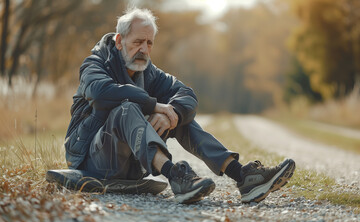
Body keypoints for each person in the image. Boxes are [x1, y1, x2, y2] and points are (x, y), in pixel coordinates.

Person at [64, 7, 295, 204]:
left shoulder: (149, 72)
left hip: (131, 162)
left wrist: (170, 113)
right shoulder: (94, 64)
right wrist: (154, 105)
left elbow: (187, 94)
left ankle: (243, 176)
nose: (144, 49)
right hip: (92, 159)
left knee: (178, 116)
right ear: (118, 41)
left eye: (149, 43)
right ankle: (175, 175)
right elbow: (101, 93)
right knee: (126, 107)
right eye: (137, 42)